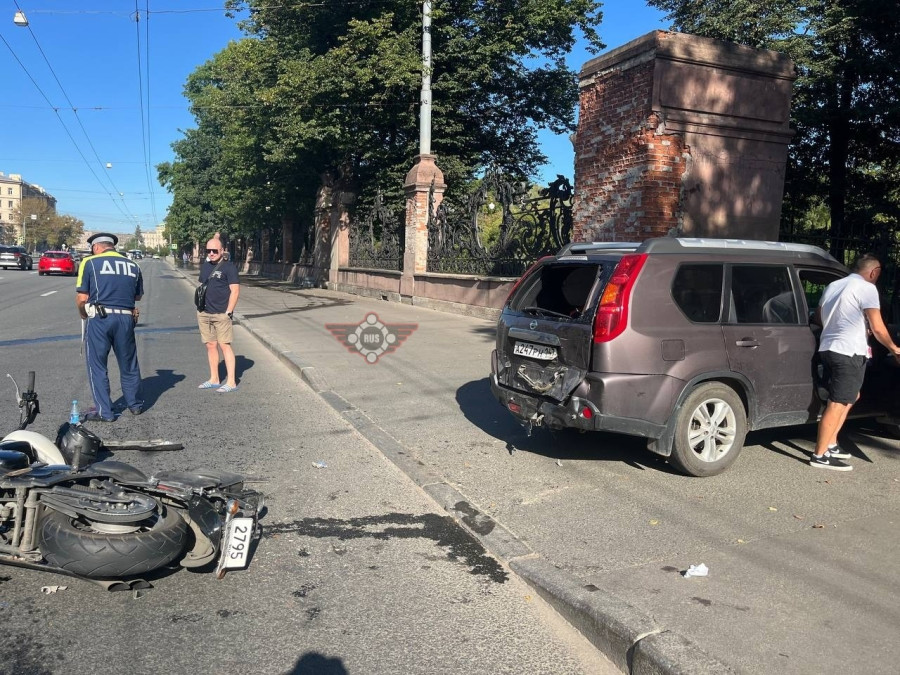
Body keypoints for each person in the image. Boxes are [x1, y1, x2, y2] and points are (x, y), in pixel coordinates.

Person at [811, 253, 900, 470]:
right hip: (848, 351)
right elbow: (878, 328)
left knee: (851, 395)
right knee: (838, 402)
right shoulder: (867, 288)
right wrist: (895, 349)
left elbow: (819, 316)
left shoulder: (833, 286)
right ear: (874, 272)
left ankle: (831, 443)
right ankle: (819, 455)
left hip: (828, 348)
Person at [75, 233, 144, 421]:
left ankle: (105, 412)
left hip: (100, 318)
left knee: (97, 366)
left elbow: (82, 297)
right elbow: (137, 296)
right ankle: (135, 405)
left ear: (96, 247)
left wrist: (83, 313)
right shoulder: (133, 265)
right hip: (126, 318)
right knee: (129, 363)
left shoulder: (90, 263)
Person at [197, 238, 240, 393]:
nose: (211, 253)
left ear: (222, 250)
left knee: (224, 346)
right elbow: (202, 286)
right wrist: (200, 309)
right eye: (208, 250)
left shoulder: (229, 267)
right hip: (205, 313)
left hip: (222, 313)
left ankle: (231, 382)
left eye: (215, 250)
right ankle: (214, 379)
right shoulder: (205, 266)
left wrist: (229, 311)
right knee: (210, 345)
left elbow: (235, 290)